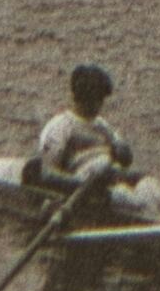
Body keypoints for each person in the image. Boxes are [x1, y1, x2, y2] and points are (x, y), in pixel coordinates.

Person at [24, 64, 135, 199]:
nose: (98, 105)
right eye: (93, 99)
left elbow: (122, 153)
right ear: (81, 97)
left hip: (110, 182)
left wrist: (124, 153)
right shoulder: (60, 127)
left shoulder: (103, 126)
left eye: (100, 99)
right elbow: (49, 173)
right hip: (82, 189)